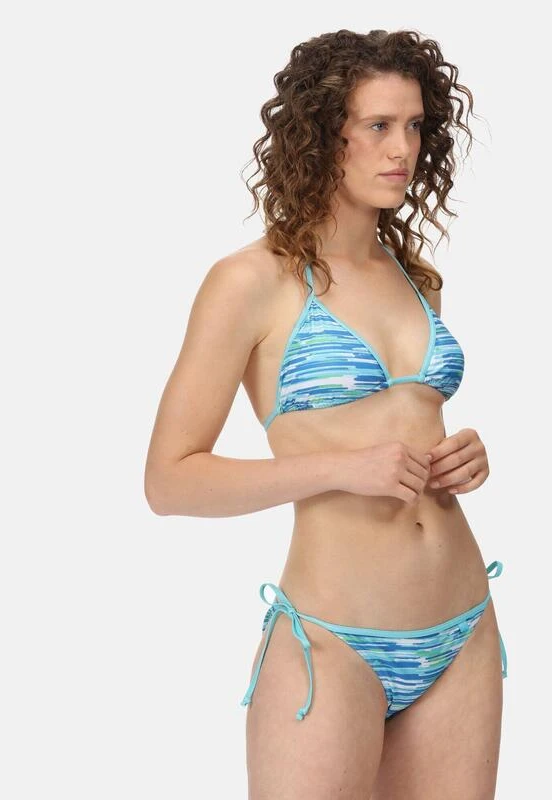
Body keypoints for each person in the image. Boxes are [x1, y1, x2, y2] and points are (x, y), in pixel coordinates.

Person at [145, 28, 508, 799]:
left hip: (461, 626)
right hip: (331, 642)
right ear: (319, 134)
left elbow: (407, 425)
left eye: (414, 126)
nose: (402, 149)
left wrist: (463, 456)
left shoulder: (417, 278)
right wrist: (343, 468)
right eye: (377, 126)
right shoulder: (251, 282)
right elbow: (169, 481)